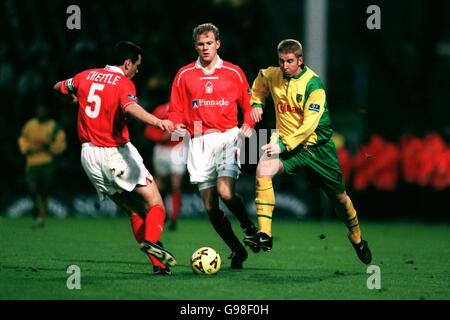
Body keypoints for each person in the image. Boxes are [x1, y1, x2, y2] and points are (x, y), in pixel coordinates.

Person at [244, 39, 372, 264]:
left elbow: (308, 127)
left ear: (300, 60)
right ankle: (265, 235)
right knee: (263, 168)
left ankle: (356, 237)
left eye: (290, 61)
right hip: (288, 146)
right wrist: (256, 103)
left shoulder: (314, 85)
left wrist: (283, 145)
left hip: (318, 149)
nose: (285, 66)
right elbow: (259, 83)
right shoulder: (272, 75)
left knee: (340, 199)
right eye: (282, 61)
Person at [53, 41, 176, 275]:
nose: (137, 71)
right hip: (115, 151)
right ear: (127, 63)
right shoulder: (123, 82)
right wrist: (157, 121)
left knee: (134, 211)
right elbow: (130, 107)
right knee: (156, 204)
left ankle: (159, 266)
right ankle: (151, 241)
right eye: (136, 66)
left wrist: (73, 96)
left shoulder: (85, 75)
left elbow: (58, 85)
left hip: (89, 156)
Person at [168, 23, 258, 269]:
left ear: (218, 43)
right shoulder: (184, 75)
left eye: (209, 43)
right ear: (195, 45)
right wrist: (176, 124)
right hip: (198, 141)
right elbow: (175, 109)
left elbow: (249, 105)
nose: (205, 48)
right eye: (200, 44)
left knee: (226, 192)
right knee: (210, 208)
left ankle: (248, 227)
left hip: (228, 137)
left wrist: (248, 123)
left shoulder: (234, 72)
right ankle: (237, 249)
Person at [18, 103, 67, 228]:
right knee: (33, 191)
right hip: (32, 162)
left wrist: (50, 148)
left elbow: (61, 143)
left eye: (43, 111)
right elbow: (22, 139)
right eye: (39, 110)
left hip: (47, 162)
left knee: (45, 190)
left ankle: (41, 216)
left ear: (47, 112)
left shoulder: (53, 126)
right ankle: (37, 207)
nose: (40, 113)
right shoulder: (31, 125)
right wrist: (25, 149)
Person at [143, 102, 187, 231]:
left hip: (177, 149)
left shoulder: (187, 110)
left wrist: (181, 134)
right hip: (161, 150)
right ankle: (163, 214)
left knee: (175, 185)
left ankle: (174, 218)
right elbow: (148, 131)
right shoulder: (160, 109)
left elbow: (196, 128)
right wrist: (162, 137)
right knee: (160, 184)